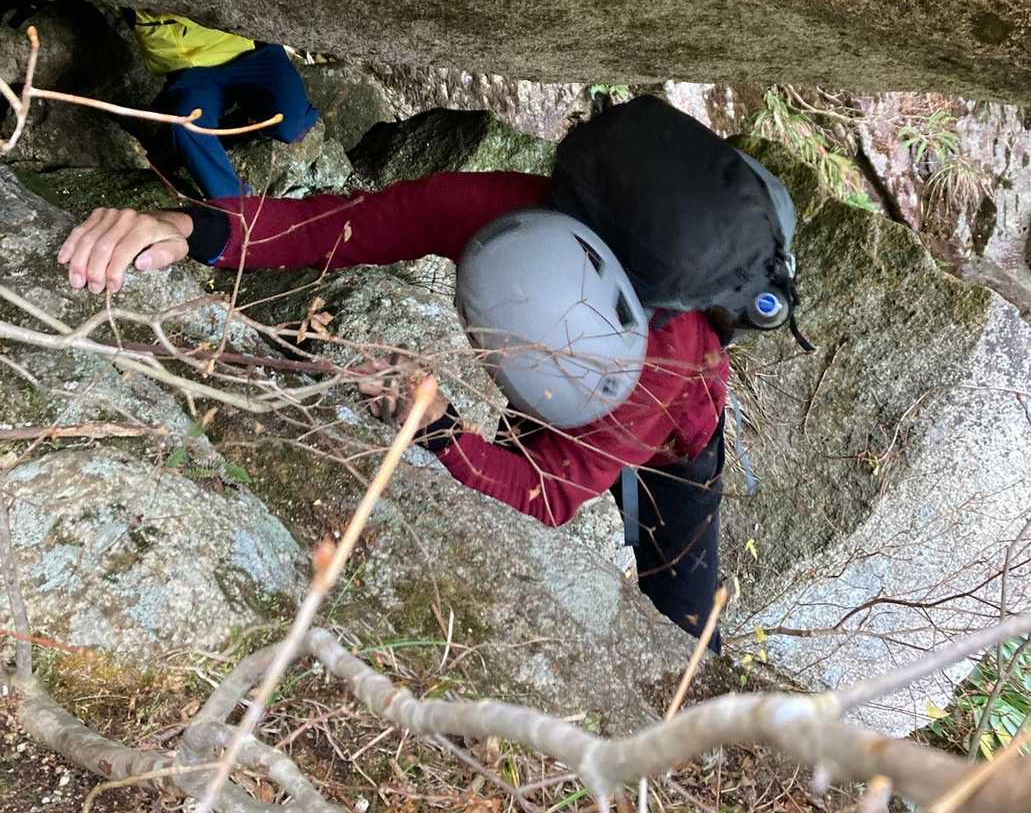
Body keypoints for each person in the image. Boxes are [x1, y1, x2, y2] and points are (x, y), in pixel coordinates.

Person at [56, 168, 732, 649]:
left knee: (683, 619)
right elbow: (331, 228)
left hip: (678, 443)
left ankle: (702, 693)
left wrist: (440, 429)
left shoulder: (664, 362)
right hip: (560, 392)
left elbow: (547, 492)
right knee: (500, 489)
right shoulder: (500, 214)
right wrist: (184, 225)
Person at [128, 11, 320, 200]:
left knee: (291, 126)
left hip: (252, 51)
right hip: (194, 72)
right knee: (186, 125)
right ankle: (237, 204)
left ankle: (239, 124)